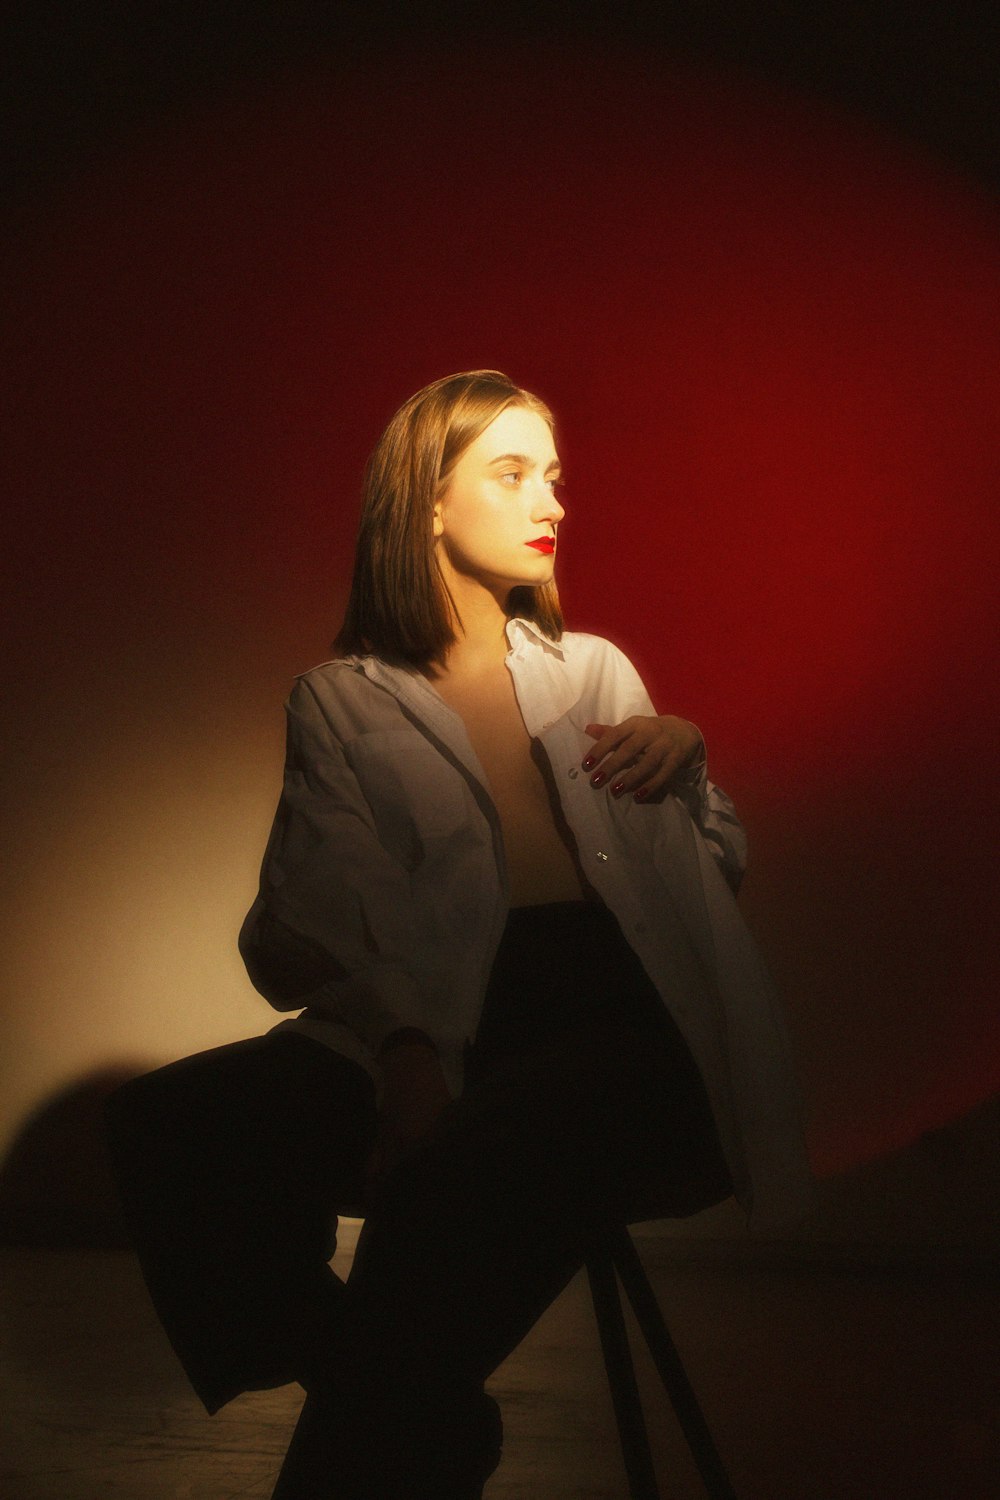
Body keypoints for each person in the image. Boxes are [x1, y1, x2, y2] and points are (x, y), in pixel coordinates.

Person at [106, 370, 812, 1499]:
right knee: (167, 1124)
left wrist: (686, 759)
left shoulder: (595, 671)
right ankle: (410, 1398)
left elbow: (712, 866)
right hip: (445, 1013)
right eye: (512, 471)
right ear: (427, 502)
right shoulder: (340, 699)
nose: (552, 501)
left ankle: (383, 1411)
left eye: (556, 476)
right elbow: (307, 914)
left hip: (615, 1023)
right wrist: (408, 1052)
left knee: (451, 1176)